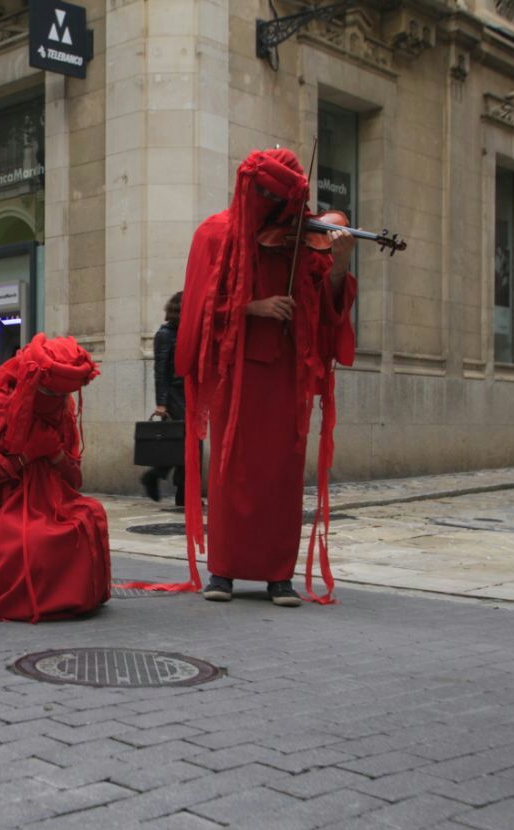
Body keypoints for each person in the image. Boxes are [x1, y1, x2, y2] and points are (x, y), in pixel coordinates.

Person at [177, 148, 357, 607]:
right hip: (236, 374)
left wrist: (339, 264)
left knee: (282, 472)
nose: (273, 207)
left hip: (286, 372)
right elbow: (196, 313)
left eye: (282, 199)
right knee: (230, 467)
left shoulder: (302, 239)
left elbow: (324, 306)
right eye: (264, 195)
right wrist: (250, 308)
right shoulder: (214, 234)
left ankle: (279, 574)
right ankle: (223, 571)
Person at [0, 334, 110, 622]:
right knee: (31, 538)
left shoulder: (62, 411)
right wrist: (23, 457)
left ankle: (70, 597)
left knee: (89, 516)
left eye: (62, 396)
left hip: (52, 499)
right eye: (52, 394)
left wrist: (55, 455)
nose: (58, 402)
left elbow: (74, 480)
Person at [140, 291, 187, 505]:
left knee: (189, 445)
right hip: (175, 395)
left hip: (189, 393)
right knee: (185, 443)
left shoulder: (185, 332)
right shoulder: (165, 334)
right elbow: (160, 370)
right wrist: (161, 402)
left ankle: (182, 492)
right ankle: (157, 476)